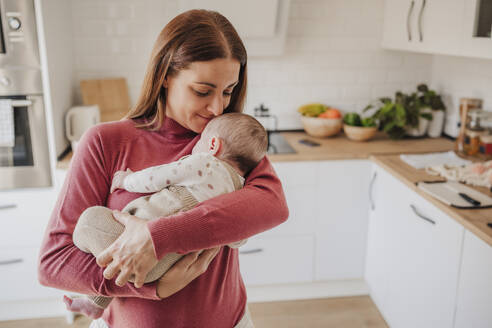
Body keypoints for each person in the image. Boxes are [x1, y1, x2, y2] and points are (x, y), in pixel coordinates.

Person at [38, 9, 288, 328]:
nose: (217, 108)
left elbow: (273, 206)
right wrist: (151, 285)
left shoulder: (225, 143)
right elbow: (54, 263)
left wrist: (157, 236)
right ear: (165, 75)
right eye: (202, 91)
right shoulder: (105, 142)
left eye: (228, 91)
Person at [63, 113, 268, 319]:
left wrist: (126, 180)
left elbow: (158, 177)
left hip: (139, 245)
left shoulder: (205, 164)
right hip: (163, 268)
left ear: (213, 145)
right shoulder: (240, 192)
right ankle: (95, 302)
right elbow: (239, 238)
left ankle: (91, 290)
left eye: (200, 141)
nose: (195, 146)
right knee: (118, 264)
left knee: (90, 221)